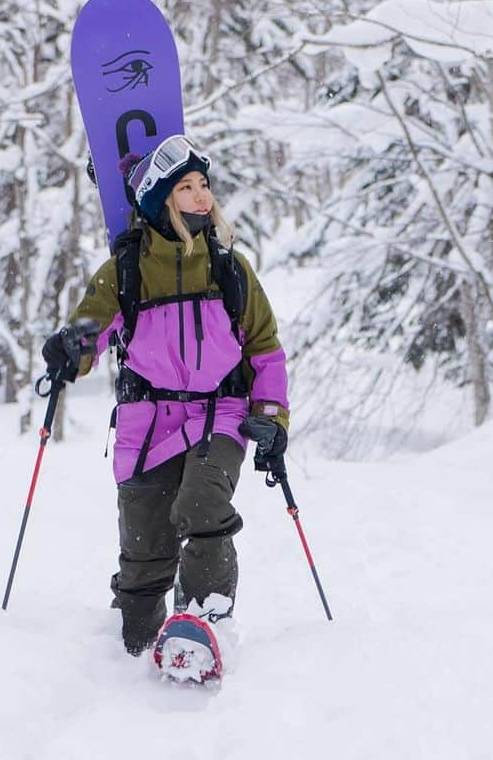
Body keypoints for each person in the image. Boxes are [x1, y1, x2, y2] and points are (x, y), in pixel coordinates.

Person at [40, 135, 290, 656]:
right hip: (147, 421)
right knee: (144, 560)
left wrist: (270, 417)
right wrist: (72, 348)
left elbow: (265, 350)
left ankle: (204, 623)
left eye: (204, 185)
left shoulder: (230, 268)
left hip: (219, 415)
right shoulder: (124, 271)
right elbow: (92, 331)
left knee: (203, 503)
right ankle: (134, 645)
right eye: (187, 187)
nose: (203, 197)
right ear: (160, 199)